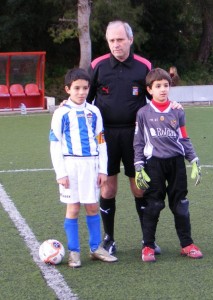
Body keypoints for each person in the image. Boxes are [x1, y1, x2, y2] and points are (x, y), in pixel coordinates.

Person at [87, 20, 183, 256]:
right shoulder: (97, 66)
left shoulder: (144, 66)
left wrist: (172, 106)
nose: (116, 45)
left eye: (120, 40)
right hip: (105, 136)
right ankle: (109, 238)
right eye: (111, 40)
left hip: (137, 135)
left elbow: (156, 96)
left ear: (130, 39)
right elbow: (85, 100)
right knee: (108, 189)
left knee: (140, 187)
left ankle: (146, 240)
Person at [49, 68, 118, 268]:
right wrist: (60, 173)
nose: (81, 92)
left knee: (92, 206)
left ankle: (96, 248)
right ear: (67, 89)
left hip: (91, 165)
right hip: (70, 166)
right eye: (76, 88)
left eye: (85, 88)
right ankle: (74, 252)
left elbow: (101, 141)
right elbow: (55, 143)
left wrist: (103, 169)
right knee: (73, 208)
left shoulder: (94, 111)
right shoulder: (61, 113)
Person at [134, 68, 203, 262]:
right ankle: (148, 246)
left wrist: (194, 159)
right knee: (154, 205)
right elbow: (138, 141)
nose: (163, 89)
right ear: (149, 89)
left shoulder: (177, 111)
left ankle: (187, 244)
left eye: (166, 85)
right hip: (154, 164)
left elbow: (184, 137)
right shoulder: (143, 113)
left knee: (180, 204)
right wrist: (139, 165)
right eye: (158, 86)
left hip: (176, 163)